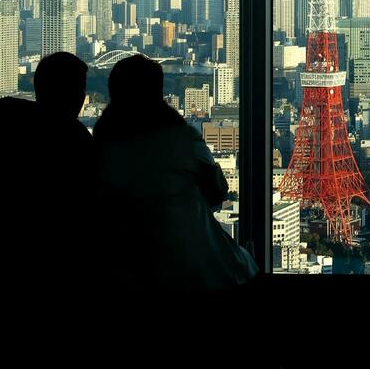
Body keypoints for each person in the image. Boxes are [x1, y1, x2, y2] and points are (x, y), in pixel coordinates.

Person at [93, 54, 257, 294]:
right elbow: (218, 190)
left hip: (125, 273)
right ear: (157, 93)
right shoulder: (183, 139)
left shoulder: (101, 148)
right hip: (199, 270)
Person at [0, 51, 95, 300]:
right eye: (78, 88)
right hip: (36, 269)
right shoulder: (72, 139)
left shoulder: (12, 124)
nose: (81, 97)